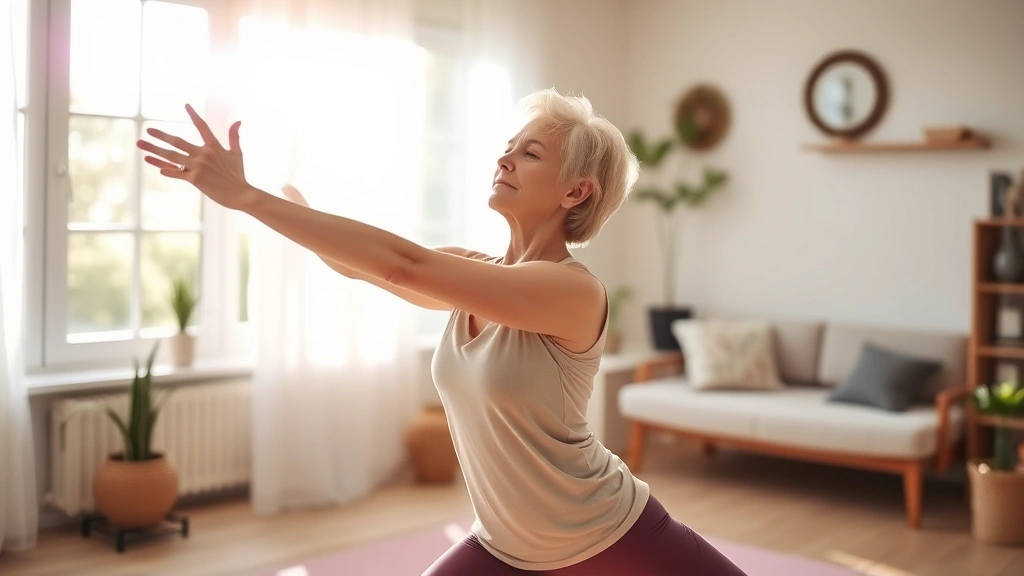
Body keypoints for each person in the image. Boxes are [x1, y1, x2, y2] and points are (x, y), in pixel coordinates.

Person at [136, 89, 747, 576]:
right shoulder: (474, 275)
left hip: (606, 531)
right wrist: (284, 207)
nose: (504, 160)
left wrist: (246, 198)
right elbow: (361, 266)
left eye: (530, 154)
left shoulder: (573, 292)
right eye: (508, 148)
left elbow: (403, 265)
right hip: (507, 546)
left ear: (576, 190)